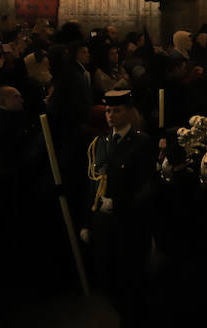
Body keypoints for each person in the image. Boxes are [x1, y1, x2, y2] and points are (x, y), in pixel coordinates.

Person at [81, 90, 154, 327]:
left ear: (128, 112)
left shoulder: (141, 142)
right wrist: (87, 221)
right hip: (103, 222)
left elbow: (145, 184)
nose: (111, 116)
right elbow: (93, 184)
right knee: (106, 275)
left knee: (130, 278)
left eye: (117, 110)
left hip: (128, 223)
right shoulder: (100, 143)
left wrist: (122, 205)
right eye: (109, 111)